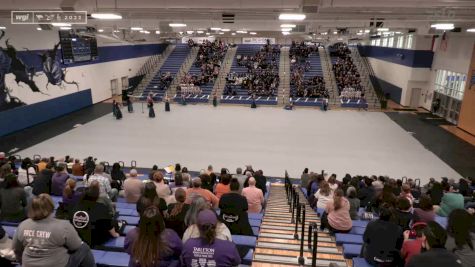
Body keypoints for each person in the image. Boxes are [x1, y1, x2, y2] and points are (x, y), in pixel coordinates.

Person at [12, 194, 95, 267]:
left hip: (28, 264)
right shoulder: (63, 225)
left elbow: (16, 249)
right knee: (84, 247)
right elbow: (76, 246)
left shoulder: (23, 225)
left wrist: (23, 263)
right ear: (51, 207)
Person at [70, 181, 120, 246]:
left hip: (79, 236)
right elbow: (108, 225)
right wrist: (115, 234)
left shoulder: (76, 206)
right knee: (114, 223)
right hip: (95, 239)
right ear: (96, 196)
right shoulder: (100, 207)